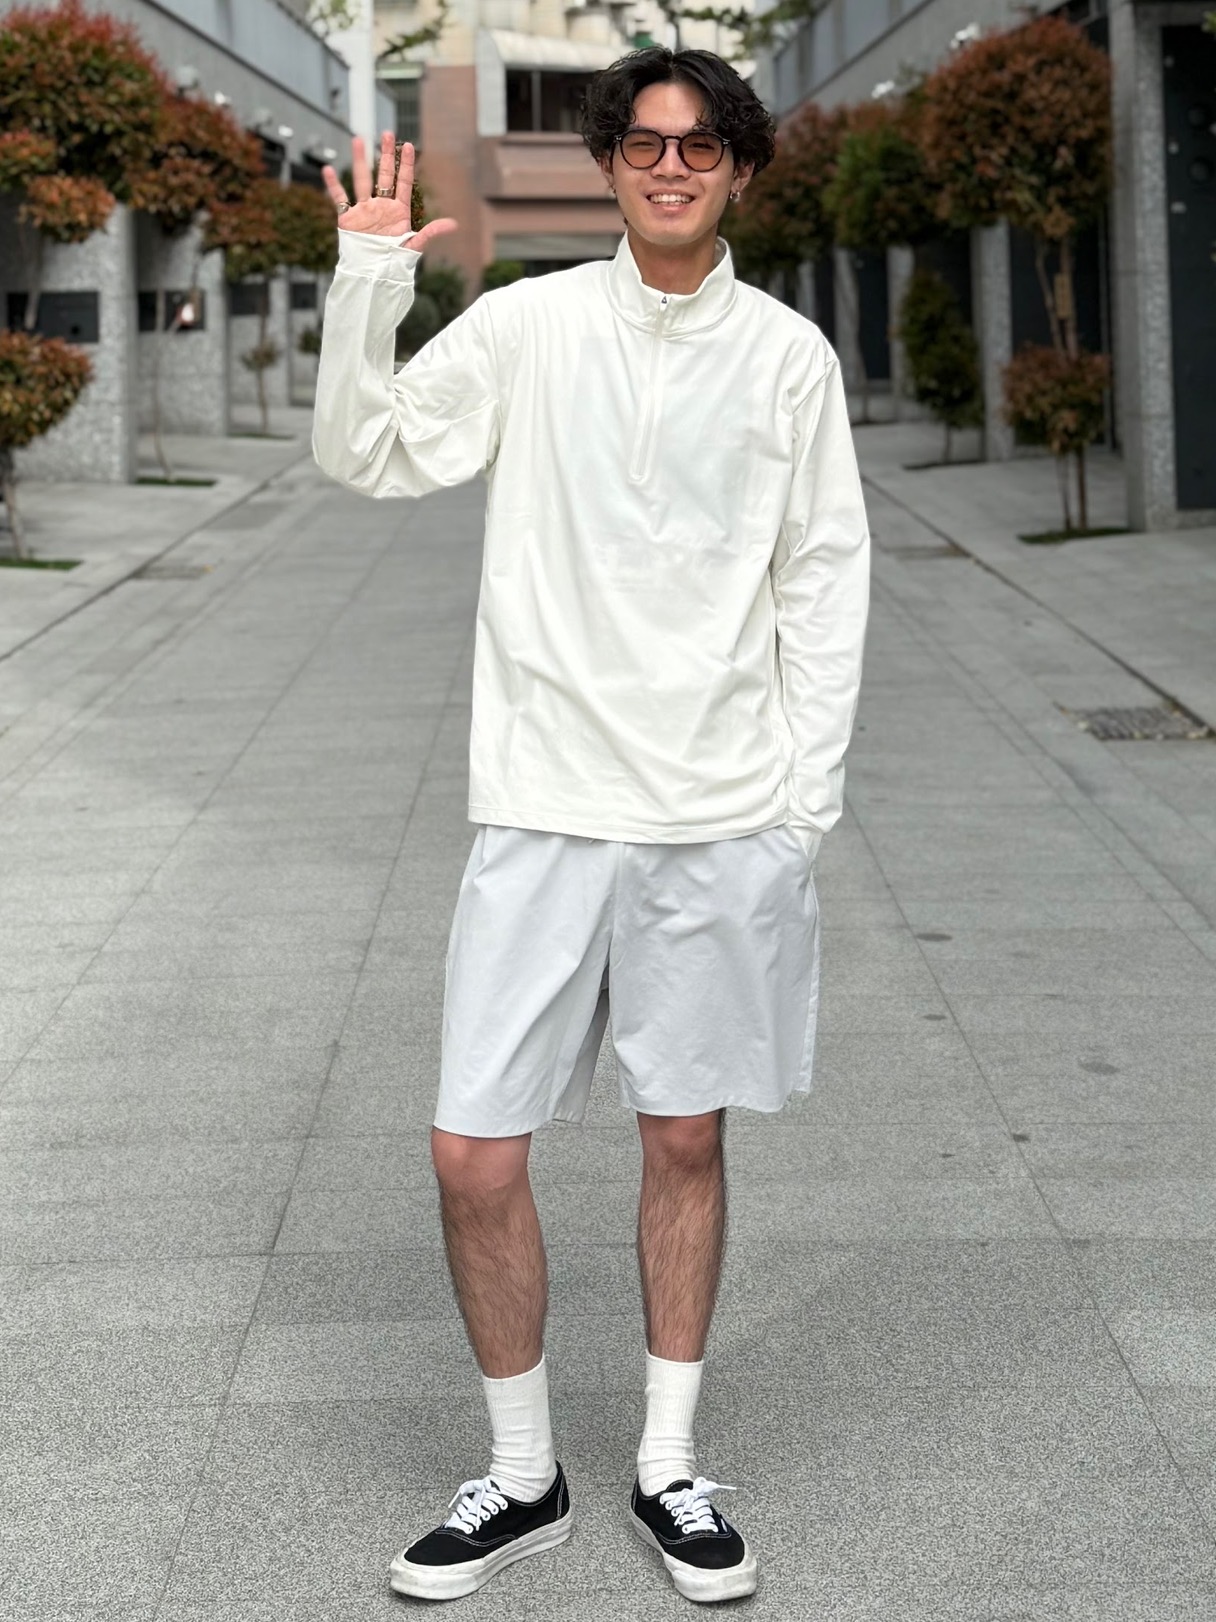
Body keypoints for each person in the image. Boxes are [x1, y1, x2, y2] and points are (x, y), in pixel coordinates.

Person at [313, 45, 869, 1605]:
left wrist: (799, 810)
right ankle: (522, 1473)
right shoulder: (530, 326)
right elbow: (366, 450)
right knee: (472, 1150)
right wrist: (366, 283)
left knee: (683, 1134)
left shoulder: (788, 359)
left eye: (700, 145)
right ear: (609, 163)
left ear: (738, 168)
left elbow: (824, 580)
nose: (670, 166)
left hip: (716, 811)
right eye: (643, 142)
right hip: (545, 805)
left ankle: (669, 1462)